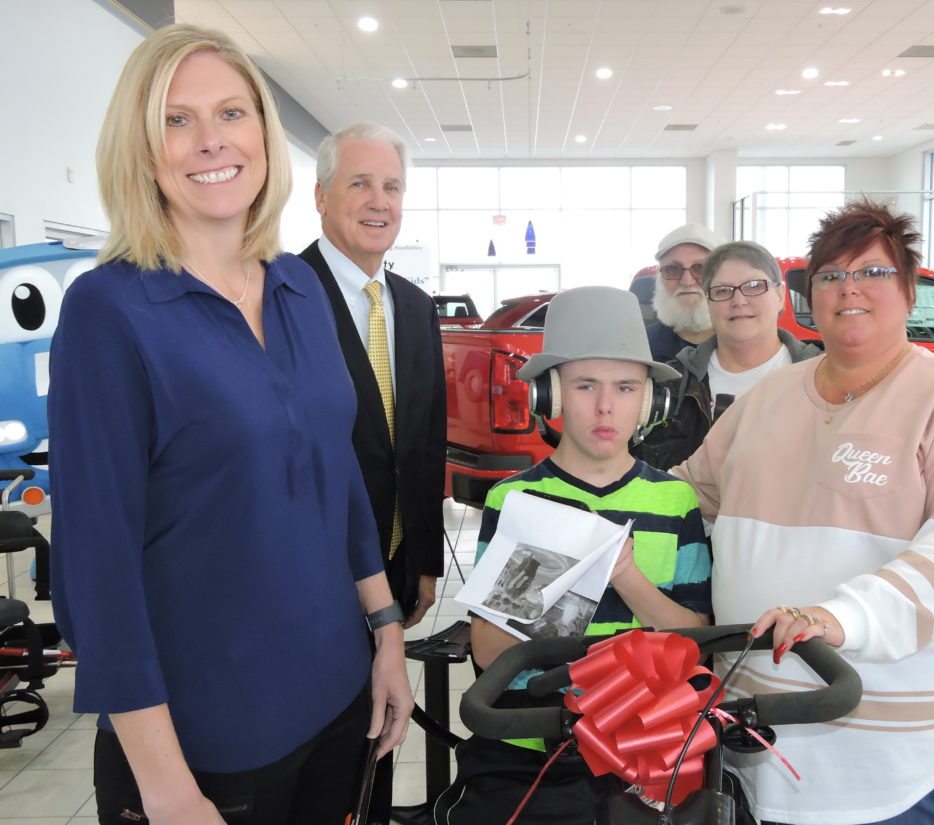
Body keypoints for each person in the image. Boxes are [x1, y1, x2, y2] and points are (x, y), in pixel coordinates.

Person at [47, 25, 412, 825]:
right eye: (176, 120)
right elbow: (95, 569)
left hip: (337, 697)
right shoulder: (109, 311)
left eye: (231, 113)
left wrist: (386, 630)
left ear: (264, 134)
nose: (210, 140)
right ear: (142, 151)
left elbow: (337, 472)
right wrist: (166, 786)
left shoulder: (298, 289)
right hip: (206, 739)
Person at [674, 200, 934, 825]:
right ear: (810, 297)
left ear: (909, 290)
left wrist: (841, 616)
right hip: (765, 735)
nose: (850, 288)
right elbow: (686, 494)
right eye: (831, 276)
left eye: (873, 272)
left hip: (901, 750)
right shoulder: (768, 397)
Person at [444, 286, 712, 825]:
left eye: (626, 388)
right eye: (585, 385)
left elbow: (694, 640)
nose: (606, 406)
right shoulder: (514, 499)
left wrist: (627, 576)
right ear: (551, 396)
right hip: (528, 741)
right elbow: (490, 652)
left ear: (650, 402)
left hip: (643, 740)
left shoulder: (675, 500)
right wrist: (556, 570)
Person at [299, 123, 446, 825]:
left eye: (391, 186)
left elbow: (423, 442)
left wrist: (424, 560)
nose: (378, 200)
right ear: (321, 196)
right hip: (311, 568)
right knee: (321, 751)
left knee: (380, 735)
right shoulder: (279, 294)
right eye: (359, 183)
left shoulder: (414, 306)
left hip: (392, 562)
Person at [633, 241, 819, 470]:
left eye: (754, 286)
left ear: (780, 295)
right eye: (722, 291)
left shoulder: (822, 373)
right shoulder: (672, 384)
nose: (739, 301)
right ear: (708, 302)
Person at [647, 223, 723, 361]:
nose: (687, 282)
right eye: (672, 269)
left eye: (701, 268)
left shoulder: (748, 344)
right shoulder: (644, 348)